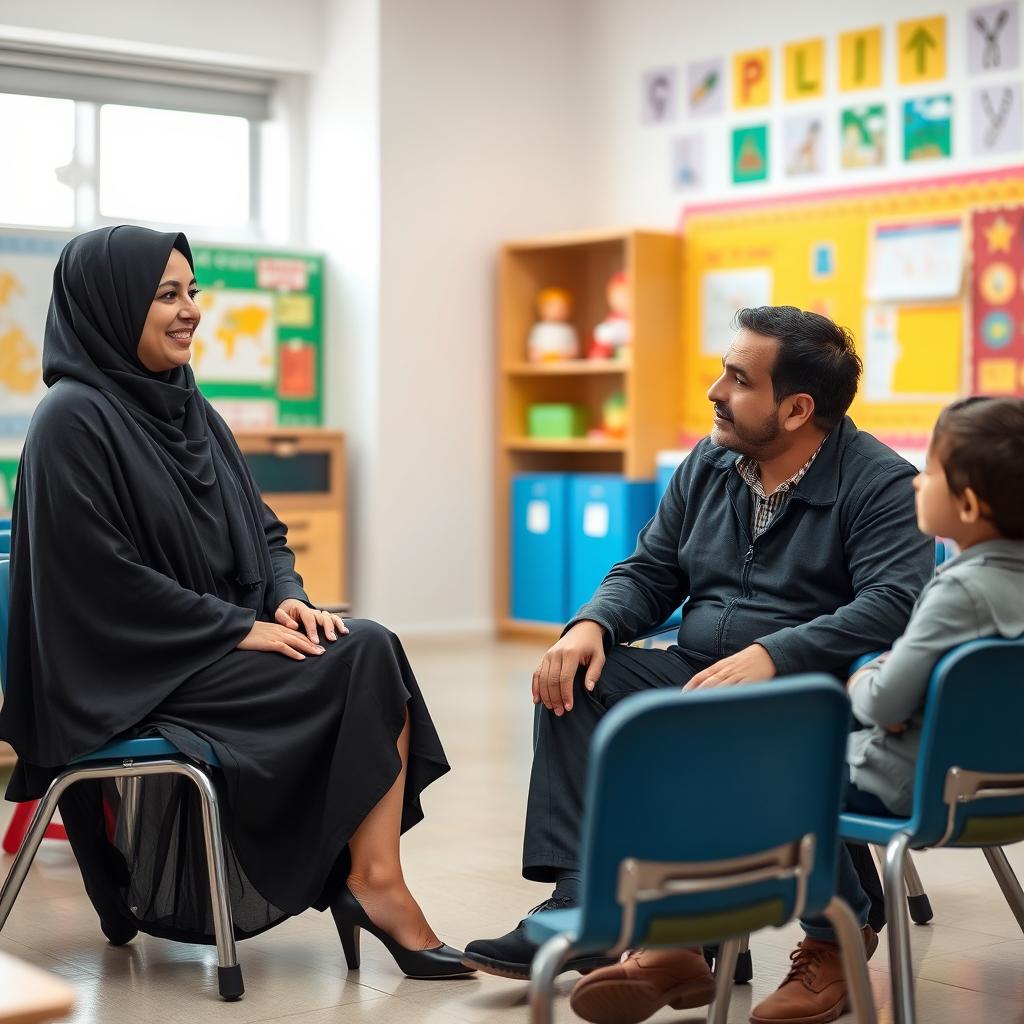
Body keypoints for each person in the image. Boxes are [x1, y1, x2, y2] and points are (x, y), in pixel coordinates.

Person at [0, 226, 472, 980]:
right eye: (166, 295)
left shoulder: (189, 407)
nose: (190, 310)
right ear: (112, 305)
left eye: (192, 292)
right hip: (119, 674)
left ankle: (374, 882)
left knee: (362, 643)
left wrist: (286, 601)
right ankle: (373, 885)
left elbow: (264, 531)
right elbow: (99, 584)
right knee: (365, 656)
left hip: (195, 651)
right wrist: (234, 630)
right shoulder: (70, 422)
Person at [462, 306, 934, 993]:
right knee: (577, 681)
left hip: (808, 693)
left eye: (738, 379)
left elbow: (895, 602)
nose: (716, 391)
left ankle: (721, 935)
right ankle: (584, 898)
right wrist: (592, 624)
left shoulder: (880, 482)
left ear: (797, 408)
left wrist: (776, 655)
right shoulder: (713, 460)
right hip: (700, 669)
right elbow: (651, 568)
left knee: (708, 733)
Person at [739, 395, 1024, 1024]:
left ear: (969, 506)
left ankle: (838, 932)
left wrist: (866, 679)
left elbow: (885, 701)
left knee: (773, 772)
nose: (917, 481)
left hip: (913, 787)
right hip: (1003, 789)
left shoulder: (956, 589)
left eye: (931, 472)